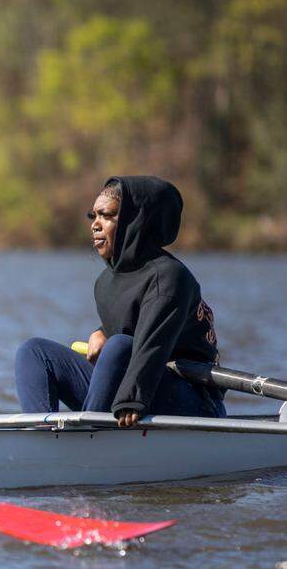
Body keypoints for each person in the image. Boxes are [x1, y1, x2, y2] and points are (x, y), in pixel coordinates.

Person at [14, 176, 225, 426]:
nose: (95, 225)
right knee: (34, 352)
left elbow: (152, 344)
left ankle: (88, 438)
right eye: (93, 216)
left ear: (135, 222)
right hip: (133, 388)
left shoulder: (169, 277)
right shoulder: (105, 282)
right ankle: (43, 433)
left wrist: (132, 399)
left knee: (119, 347)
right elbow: (133, 322)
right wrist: (101, 331)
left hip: (194, 401)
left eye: (107, 215)